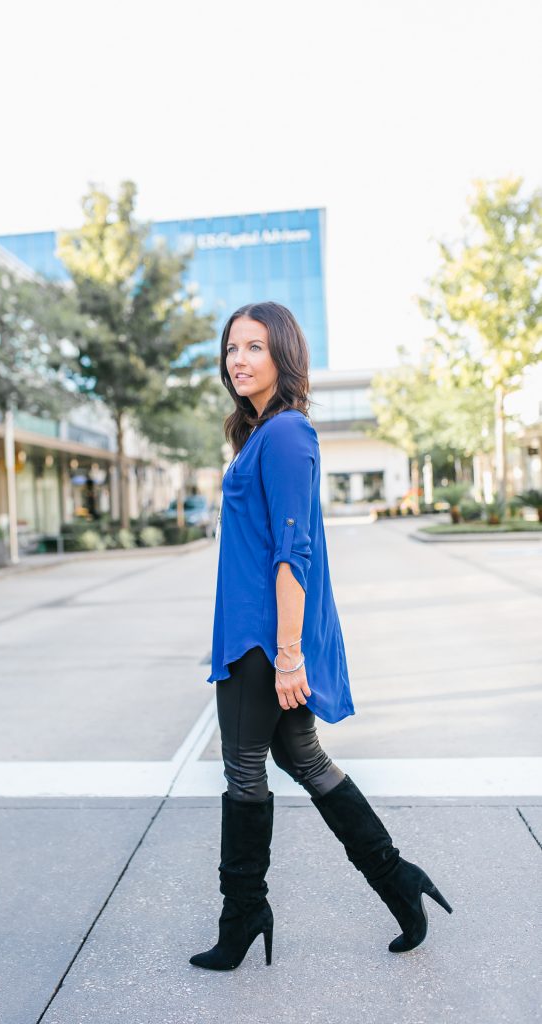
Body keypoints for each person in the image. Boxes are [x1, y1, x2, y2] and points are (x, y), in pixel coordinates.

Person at [189, 301, 452, 972]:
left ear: (283, 353)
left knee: (246, 769)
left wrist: (286, 654)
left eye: (253, 346)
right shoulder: (263, 433)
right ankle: (400, 883)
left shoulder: (284, 435)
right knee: (303, 759)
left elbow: (292, 553)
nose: (238, 359)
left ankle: (243, 913)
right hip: (252, 633)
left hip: (262, 640)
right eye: (231, 349)